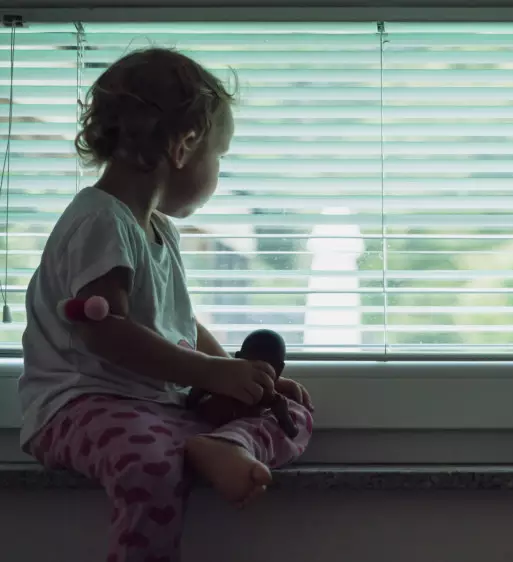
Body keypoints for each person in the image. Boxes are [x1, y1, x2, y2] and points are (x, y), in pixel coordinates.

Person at [17, 47, 314, 562]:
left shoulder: (159, 230)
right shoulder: (101, 221)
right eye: (219, 156)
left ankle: (229, 444)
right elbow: (104, 330)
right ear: (184, 146)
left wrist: (234, 375)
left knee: (293, 413)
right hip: (81, 405)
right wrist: (209, 373)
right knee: (151, 466)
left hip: (153, 405)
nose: (218, 171)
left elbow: (179, 323)